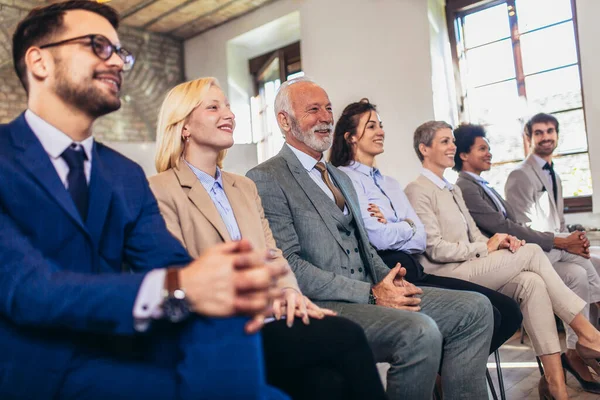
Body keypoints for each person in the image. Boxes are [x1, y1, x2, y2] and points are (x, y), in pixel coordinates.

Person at [0, 2, 289, 399]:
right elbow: (26, 287)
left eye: (120, 52)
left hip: (127, 350)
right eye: (99, 46)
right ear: (39, 62)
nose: (118, 62)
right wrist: (179, 285)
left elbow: (170, 264)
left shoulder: (123, 174)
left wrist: (228, 281)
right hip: (30, 367)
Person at [246, 77, 495, 400]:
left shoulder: (338, 176)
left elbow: (364, 246)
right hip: (326, 304)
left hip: (372, 288)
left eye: (328, 109)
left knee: (476, 309)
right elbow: (291, 265)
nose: (325, 118)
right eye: (313, 110)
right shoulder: (266, 177)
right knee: (420, 333)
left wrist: (390, 280)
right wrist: (372, 293)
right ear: (284, 120)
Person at [147, 77, 387, 400]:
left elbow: (274, 255)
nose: (229, 114)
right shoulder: (160, 190)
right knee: (347, 335)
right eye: (214, 107)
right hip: (221, 327)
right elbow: (181, 273)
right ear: (184, 126)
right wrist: (261, 298)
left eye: (229, 106)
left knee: (327, 384)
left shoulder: (243, 187)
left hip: (272, 319)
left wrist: (290, 293)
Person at [404, 120, 600, 400]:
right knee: (531, 252)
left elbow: (475, 236)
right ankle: (588, 333)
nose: (452, 146)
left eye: (452, 140)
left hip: (471, 265)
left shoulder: (452, 189)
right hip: (447, 274)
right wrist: (486, 247)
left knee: (532, 282)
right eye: (444, 141)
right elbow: (435, 249)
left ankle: (556, 384)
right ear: (424, 149)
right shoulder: (417, 190)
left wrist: (501, 242)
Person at [328, 99, 522, 354]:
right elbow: (378, 237)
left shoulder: (391, 184)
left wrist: (396, 224)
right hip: (389, 274)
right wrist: (406, 225)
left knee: (508, 312)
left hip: (415, 268)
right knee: (489, 312)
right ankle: (441, 372)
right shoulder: (344, 178)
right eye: (371, 126)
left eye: (381, 125)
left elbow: (420, 240)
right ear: (351, 137)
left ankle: (441, 369)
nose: (381, 131)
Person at [504, 113, 600, 276]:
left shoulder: (555, 175)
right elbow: (521, 227)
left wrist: (575, 239)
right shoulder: (519, 175)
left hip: (560, 244)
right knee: (591, 263)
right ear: (528, 138)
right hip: (542, 250)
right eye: (538, 133)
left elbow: (559, 221)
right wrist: (565, 243)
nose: (546, 137)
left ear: (557, 135)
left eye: (550, 131)